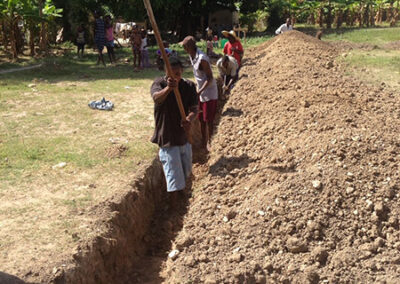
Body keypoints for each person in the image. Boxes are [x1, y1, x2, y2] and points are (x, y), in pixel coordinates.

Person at [150, 57, 199, 196]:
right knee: (173, 178)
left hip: (184, 137)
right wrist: (168, 89)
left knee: (186, 173)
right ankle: (174, 206)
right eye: (171, 74)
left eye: (177, 74)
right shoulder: (159, 84)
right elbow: (156, 98)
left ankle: (183, 203)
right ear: (166, 73)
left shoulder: (189, 86)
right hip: (168, 138)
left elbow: (195, 108)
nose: (175, 77)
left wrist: (189, 119)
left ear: (182, 72)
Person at [182, 36, 218, 150]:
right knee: (201, 119)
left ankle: (211, 142)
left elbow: (210, 78)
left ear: (189, 47)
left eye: (184, 46)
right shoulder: (192, 56)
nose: (183, 48)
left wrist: (199, 91)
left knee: (209, 120)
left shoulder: (202, 59)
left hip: (209, 93)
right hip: (200, 92)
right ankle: (203, 141)